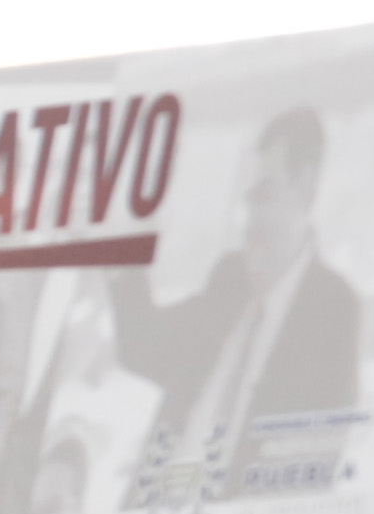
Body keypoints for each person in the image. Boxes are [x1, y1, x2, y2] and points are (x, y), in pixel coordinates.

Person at [108, 108, 361, 492]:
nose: (248, 220)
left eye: (264, 195)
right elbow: (143, 347)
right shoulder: (229, 278)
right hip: (158, 512)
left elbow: (316, 459)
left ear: (305, 187)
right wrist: (120, 249)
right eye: (246, 200)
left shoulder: (333, 309)